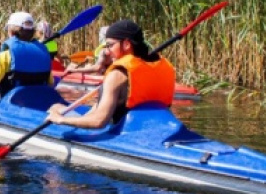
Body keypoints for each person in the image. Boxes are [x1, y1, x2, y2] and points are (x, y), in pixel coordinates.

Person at [47, 19, 175, 128]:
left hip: (124, 133)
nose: (107, 51)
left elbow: (98, 121)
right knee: (57, 107)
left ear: (126, 44)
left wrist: (61, 120)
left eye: (110, 45)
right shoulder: (162, 66)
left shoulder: (117, 74)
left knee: (54, 108)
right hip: (156, 128)